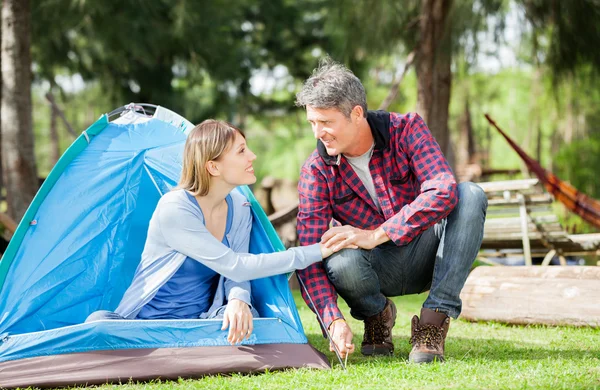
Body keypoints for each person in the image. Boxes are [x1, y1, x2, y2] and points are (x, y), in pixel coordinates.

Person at [294, 58, 488, 363]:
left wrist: (377, 234)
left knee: (470, 194)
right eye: (312, 123)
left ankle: (432, 322)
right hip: (374, 269)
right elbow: (308, 253)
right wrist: (332, 319)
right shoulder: (316, 171)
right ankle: (377, 316)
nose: (318, 132)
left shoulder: (407, 129)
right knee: (337, 255)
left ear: (356, 113)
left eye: (326, 122)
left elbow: (443, 188)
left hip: (428, 255)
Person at [86, 120, 345, 345]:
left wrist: (238, 300)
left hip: (203, 322)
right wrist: (317, 251)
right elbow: (237, 265)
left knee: (245, 319)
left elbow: (237, 274)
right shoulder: (175, 209)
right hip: (147, 326)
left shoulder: (240, 209)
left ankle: (193, 343)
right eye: (241, 151)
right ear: (213, 167)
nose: (252, 156)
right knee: (97, 325)